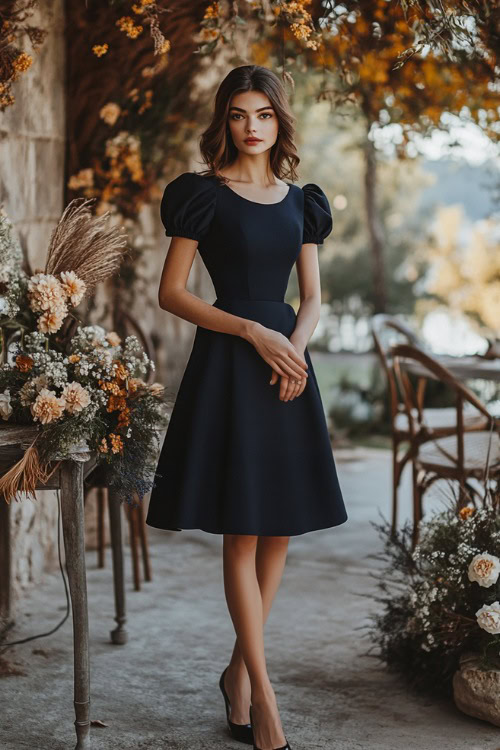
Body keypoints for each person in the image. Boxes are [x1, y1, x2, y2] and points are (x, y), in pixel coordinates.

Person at [146, 64, 348, 750]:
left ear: (278, 122)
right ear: (224, 121)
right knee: (242, 529)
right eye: (238, 114)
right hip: (233, 363)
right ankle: (263, 697)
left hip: (286, 369)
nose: (251, 125)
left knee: (279, 530)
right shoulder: (203, 196)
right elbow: (173, 293)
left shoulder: (303, 202)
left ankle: (237, 672)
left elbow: (314, 296)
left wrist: (291, 348)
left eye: (263, 114)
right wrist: (254, 331)